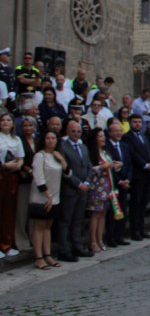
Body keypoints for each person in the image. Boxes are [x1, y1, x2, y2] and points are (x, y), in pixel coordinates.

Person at [29, 130, 67, 269]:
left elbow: (67, 172)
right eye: (48, 138)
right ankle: (38, 257)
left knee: (48, 226)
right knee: (39, 226)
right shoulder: (40, 156)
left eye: (53, 138)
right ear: (43, 140)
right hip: (42, 197)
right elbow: (38, 177)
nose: (51, 141)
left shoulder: (57, 156)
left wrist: (62, 160)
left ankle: (48, 255)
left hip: (55, 196)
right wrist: (47, 195)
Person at [57, 120, 93, 262]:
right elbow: (66, 170)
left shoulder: (83, 147)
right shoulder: (63, 147)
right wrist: (78, 184)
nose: (76, 134)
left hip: (83, 189)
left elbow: (89, 166)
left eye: (78, 131)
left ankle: (77, 246)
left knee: (78, 220)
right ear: (67, 131)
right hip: (70, 189)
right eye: (73, 131)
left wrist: (87, 182)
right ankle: (64, 249)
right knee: (66, 220)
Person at [124, 114, 150, 241]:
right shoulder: (127, 137)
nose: (137, 124)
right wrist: (145, 165)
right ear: (130, 123)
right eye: (135, 122)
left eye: (139, 122)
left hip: (148, 174)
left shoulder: (143, 136)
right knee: (136, 203)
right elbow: (133, 154)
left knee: (143, 203)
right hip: (138, 174)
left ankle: (142, 229)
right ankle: (135, 230)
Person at [86, 128, 118, 252]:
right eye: (100, 136)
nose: (103, 138)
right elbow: (91, 169)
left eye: (104, 136)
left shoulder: (105, 152)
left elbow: (110, 166)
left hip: (107, 186)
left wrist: (115, 165)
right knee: (95, 215)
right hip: (96, 187)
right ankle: (93, 240)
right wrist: (103, 166)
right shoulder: (92, 153)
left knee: (103, 214)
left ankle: (100, 239)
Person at [0, 112, 24, 259]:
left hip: (12, 176)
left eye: (8, 120)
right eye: (3, 120)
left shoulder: (16, 139)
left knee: (9, 210)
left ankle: (7, 243)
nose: (5, 122)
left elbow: (20, 158)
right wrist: (4, 165)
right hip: (1, 174)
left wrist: (18, 165)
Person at [105, 121, 131, 248]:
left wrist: (127, 179)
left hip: (125, 183)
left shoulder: (125, 145)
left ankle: (120, 235)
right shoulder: (106, 147)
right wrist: (119, 180)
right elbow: (109, 167)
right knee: (112, 213)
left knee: (123, 211)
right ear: (109, 133)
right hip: (113, 184)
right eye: (115, 131)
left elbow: (129, 163)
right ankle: (111, 237)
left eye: (119, 130)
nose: (118, 133)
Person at [15, 115, 37, 252]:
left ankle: (34, 238)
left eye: (30, 125)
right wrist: (27, 169)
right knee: (22, 211)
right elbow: (18, 158)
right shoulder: (19, 141)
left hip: (37, 180)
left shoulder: (38, 140)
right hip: (24, 179)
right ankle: (21, 240)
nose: (27, 128)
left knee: (33, 212)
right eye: (25, 126)